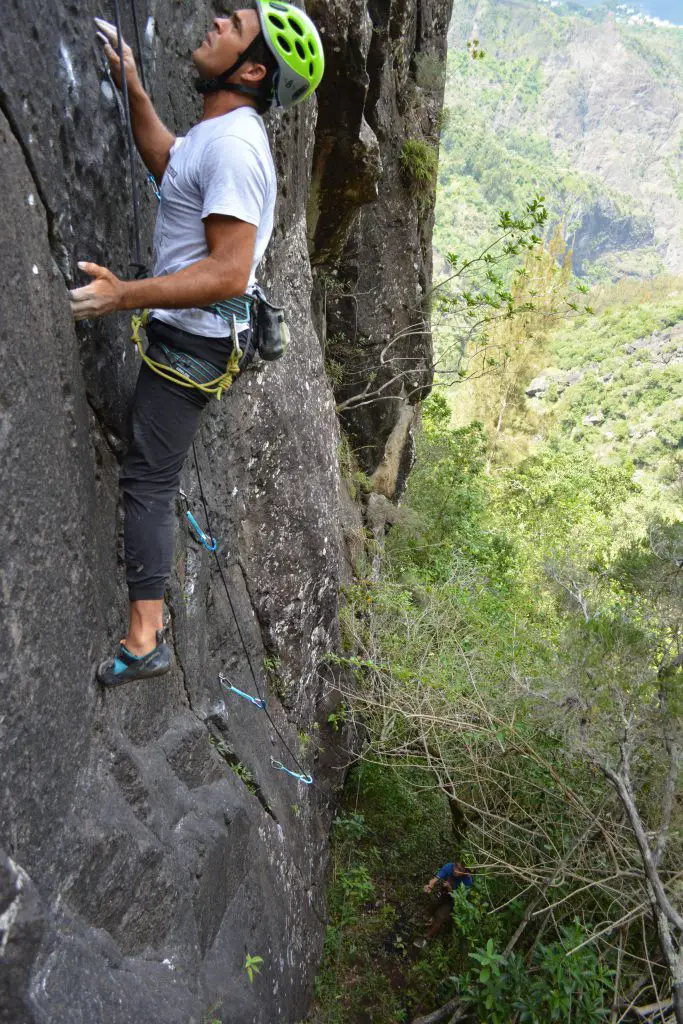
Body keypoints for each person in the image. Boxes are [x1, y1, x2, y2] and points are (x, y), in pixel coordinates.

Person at [68, 3, 324, 687]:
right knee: (152, 463)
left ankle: (146, 638)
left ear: (250, 68)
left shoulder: (238, 147)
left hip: (195, 344)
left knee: (148, 481)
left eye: (232, 26)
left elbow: (227, 272)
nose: (214, 21)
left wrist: (125, 294)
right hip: (194, 337)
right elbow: (171, 163)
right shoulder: (216, 134)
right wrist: (135, 89)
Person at [416, 860, 473, 946]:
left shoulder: (467, 881)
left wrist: (450, 889)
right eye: (455, 866)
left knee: (440, 916)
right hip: (443, 892)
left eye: (459, 869)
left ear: (465, 872)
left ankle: (427, 936)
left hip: (453, 900)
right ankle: (426, 919)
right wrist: (430, 885)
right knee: (433, 901)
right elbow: (435, 879)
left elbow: (460, 899)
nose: (455, 870)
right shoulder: (449, 867)